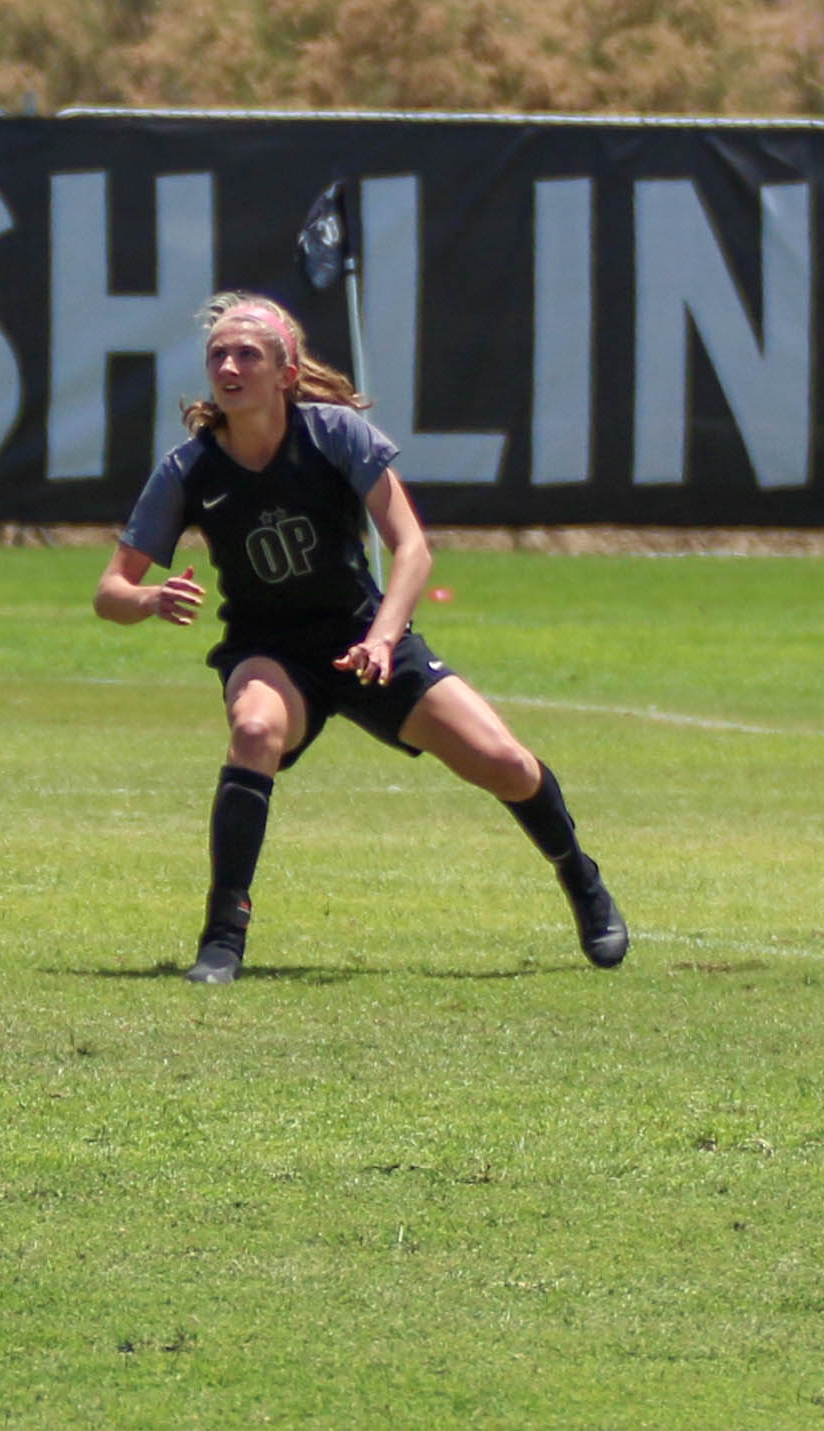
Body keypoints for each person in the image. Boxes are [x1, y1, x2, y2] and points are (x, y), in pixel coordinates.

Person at [98, 293, 628, 984]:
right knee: (255, 731)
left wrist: (383, 639)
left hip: (363, 636)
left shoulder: (334, 434)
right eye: (218, 355)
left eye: (246, 355)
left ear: (285, 374)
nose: (228, 366)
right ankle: (222, 939)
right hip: (270, 650)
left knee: (506, 763)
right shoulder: (189, 469)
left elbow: (411, 550)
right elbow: (110, 591)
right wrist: (148, 598)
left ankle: (579, 878)